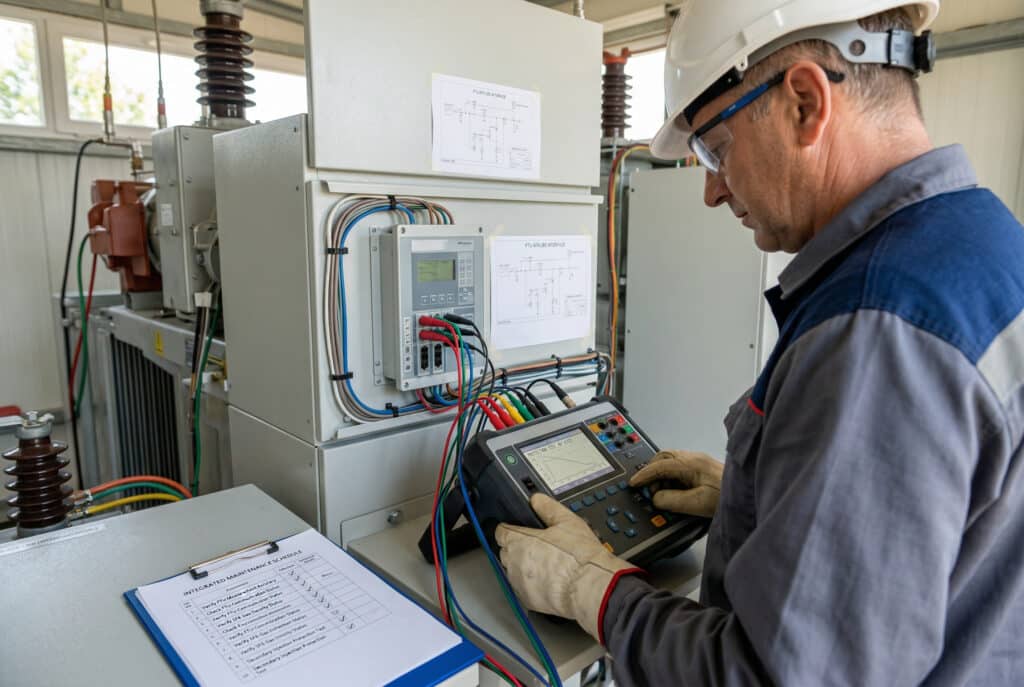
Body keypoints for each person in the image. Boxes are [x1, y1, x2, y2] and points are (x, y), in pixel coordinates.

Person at [495, 0, 1024, 684]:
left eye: (715, 149)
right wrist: (765, 495)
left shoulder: (876, 332)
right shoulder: (987, 244)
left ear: (805, 102)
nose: (712, 191)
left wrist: (592, 589)